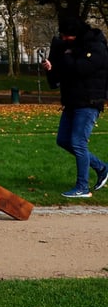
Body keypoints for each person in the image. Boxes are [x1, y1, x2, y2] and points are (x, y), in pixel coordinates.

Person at [42, 13, 108, 198]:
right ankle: (101, 167)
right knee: (63, 140)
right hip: (72, 101)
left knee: (78, 143)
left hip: (89, 102)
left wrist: (67, 58)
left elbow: (80, 69)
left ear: (75, 34)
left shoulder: (96, 47)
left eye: (66, 36)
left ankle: (82, 187)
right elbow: (58, 78)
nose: (64, 40)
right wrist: (51, 69)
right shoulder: (69, 48)